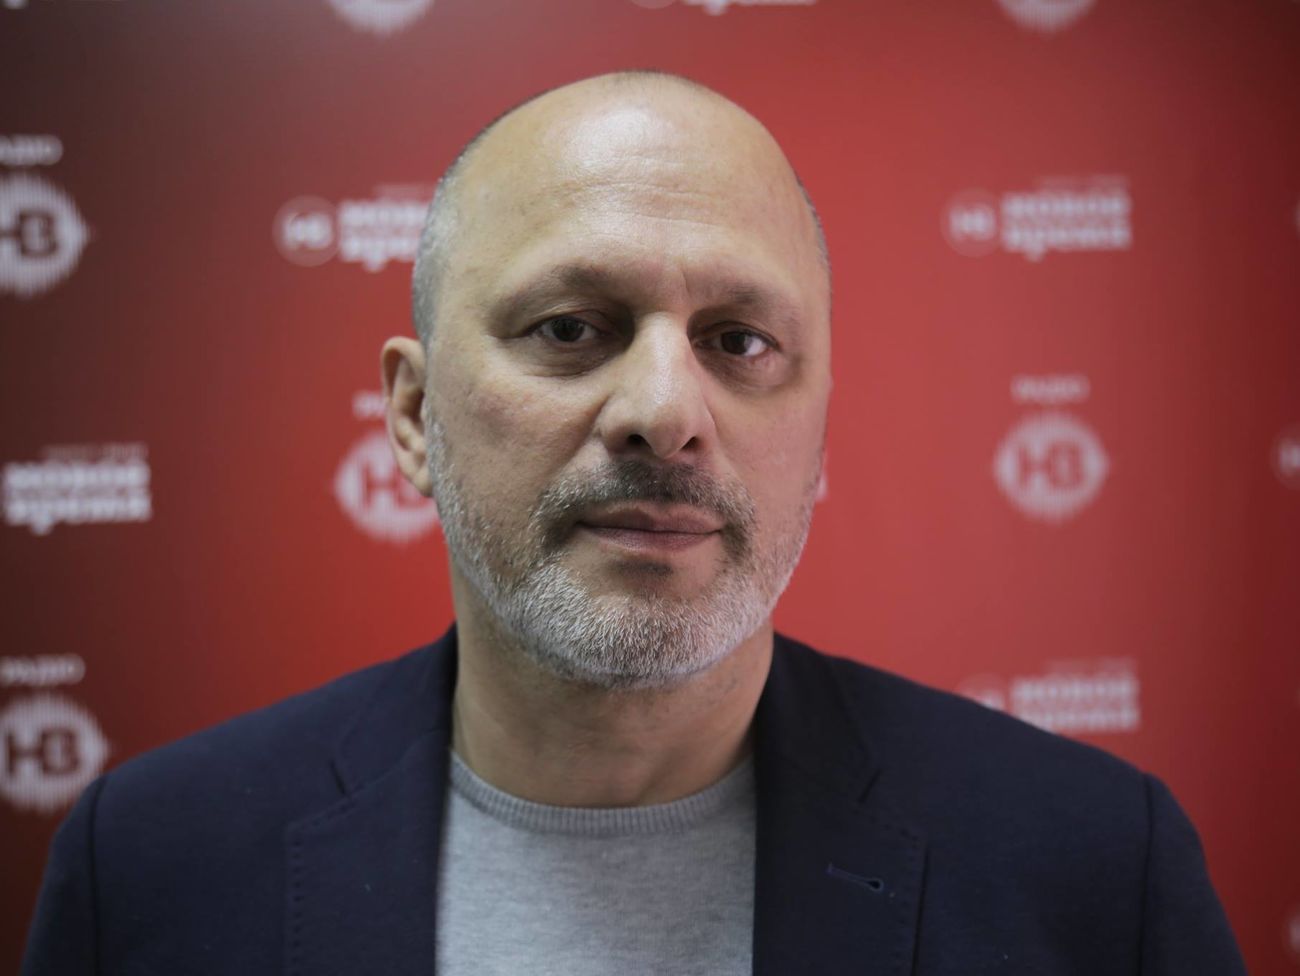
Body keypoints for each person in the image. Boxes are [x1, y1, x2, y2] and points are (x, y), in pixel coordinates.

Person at [23, 71, 1244, 975]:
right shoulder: (150, 867)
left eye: (738, 342)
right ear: (412, 415)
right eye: (570, 327)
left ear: (818, 433)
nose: (666, 413)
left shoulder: (1094, 873)